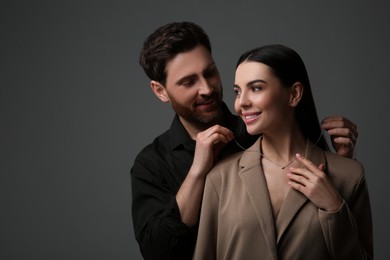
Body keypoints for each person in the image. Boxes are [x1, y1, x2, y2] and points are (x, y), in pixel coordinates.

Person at [131, 22, 359, 260]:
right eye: (188, 82)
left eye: (210, 72)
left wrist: (340, 165)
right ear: (160, 91)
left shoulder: (264, 127)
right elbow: (158, 252)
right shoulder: (151, 164)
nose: (207, 89)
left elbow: (318, 233)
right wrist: (198, 172)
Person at [193, 44, 373, 260]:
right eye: (237, 92)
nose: (242, 103)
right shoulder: (220, 178)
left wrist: (334, 208)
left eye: (256, 88)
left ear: (294, 94)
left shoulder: (349, 175)